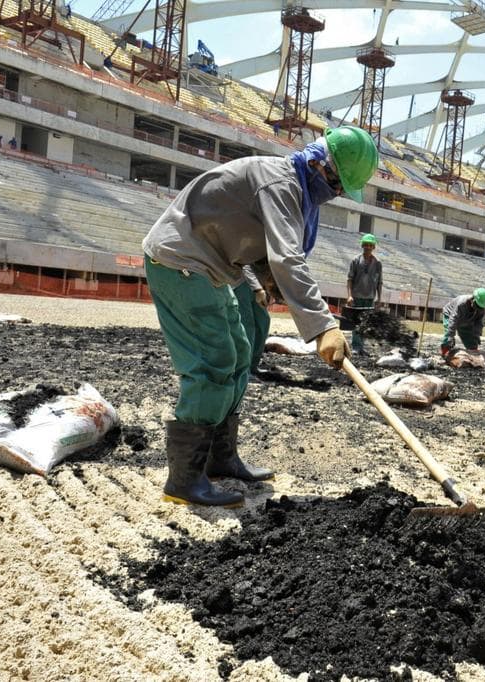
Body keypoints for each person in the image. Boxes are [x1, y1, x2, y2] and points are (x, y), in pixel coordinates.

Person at [142, 125, 378, 507]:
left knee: (237, 352)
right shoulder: (281, 183)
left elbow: (265, 254)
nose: (335, 194)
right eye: (336, 185)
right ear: (320, 166)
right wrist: (323, 327)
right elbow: (287, 256)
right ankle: (184, 481)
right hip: (182, 260)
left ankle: (220, 458)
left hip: (213, 267)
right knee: (213, 361)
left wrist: (269, 282)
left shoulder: (295, 188)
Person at [346, 233, 383, 356]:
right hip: (357, 297)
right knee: (356, 323)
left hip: (369, 298)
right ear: (362, 246)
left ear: (373, 247)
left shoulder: (378, 263)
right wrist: (349, 295)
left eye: (370, 245)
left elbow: (379, 282)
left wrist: (379, 298)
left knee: (365, 324)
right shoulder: (355, 261)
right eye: (365, 245)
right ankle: (356, 346)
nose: (367, 247)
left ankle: (361, 347)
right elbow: (350, 279)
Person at [440, 287, 485, 357]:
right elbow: (453, 319)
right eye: (477, 305)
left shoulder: (481, 308)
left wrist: (477, 335)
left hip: (466, 320)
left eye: (480, 306)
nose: (479, 308)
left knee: (472, 342)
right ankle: (444, 354)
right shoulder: (461, 303)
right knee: (448, 338)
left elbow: (479, 323)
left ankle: (473, 355)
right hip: (450, 315)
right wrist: (450, 335)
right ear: (473, 299)